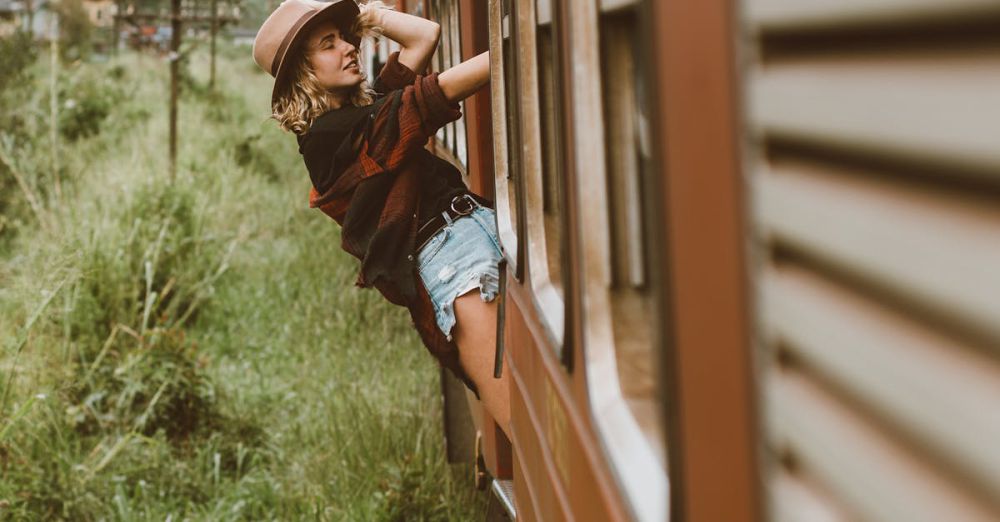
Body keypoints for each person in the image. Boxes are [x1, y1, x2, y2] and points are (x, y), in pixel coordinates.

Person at [252, 0, 510, 436]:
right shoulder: (327, 139)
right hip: (456, 265)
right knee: (526, 423)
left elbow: (425, 35)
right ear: (304, 73)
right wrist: (517, 44)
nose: (349, 48)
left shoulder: (369, 110)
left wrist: (365, 16)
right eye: (328, 45)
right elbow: (430, 97)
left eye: (345, 37)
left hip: (480, 229)